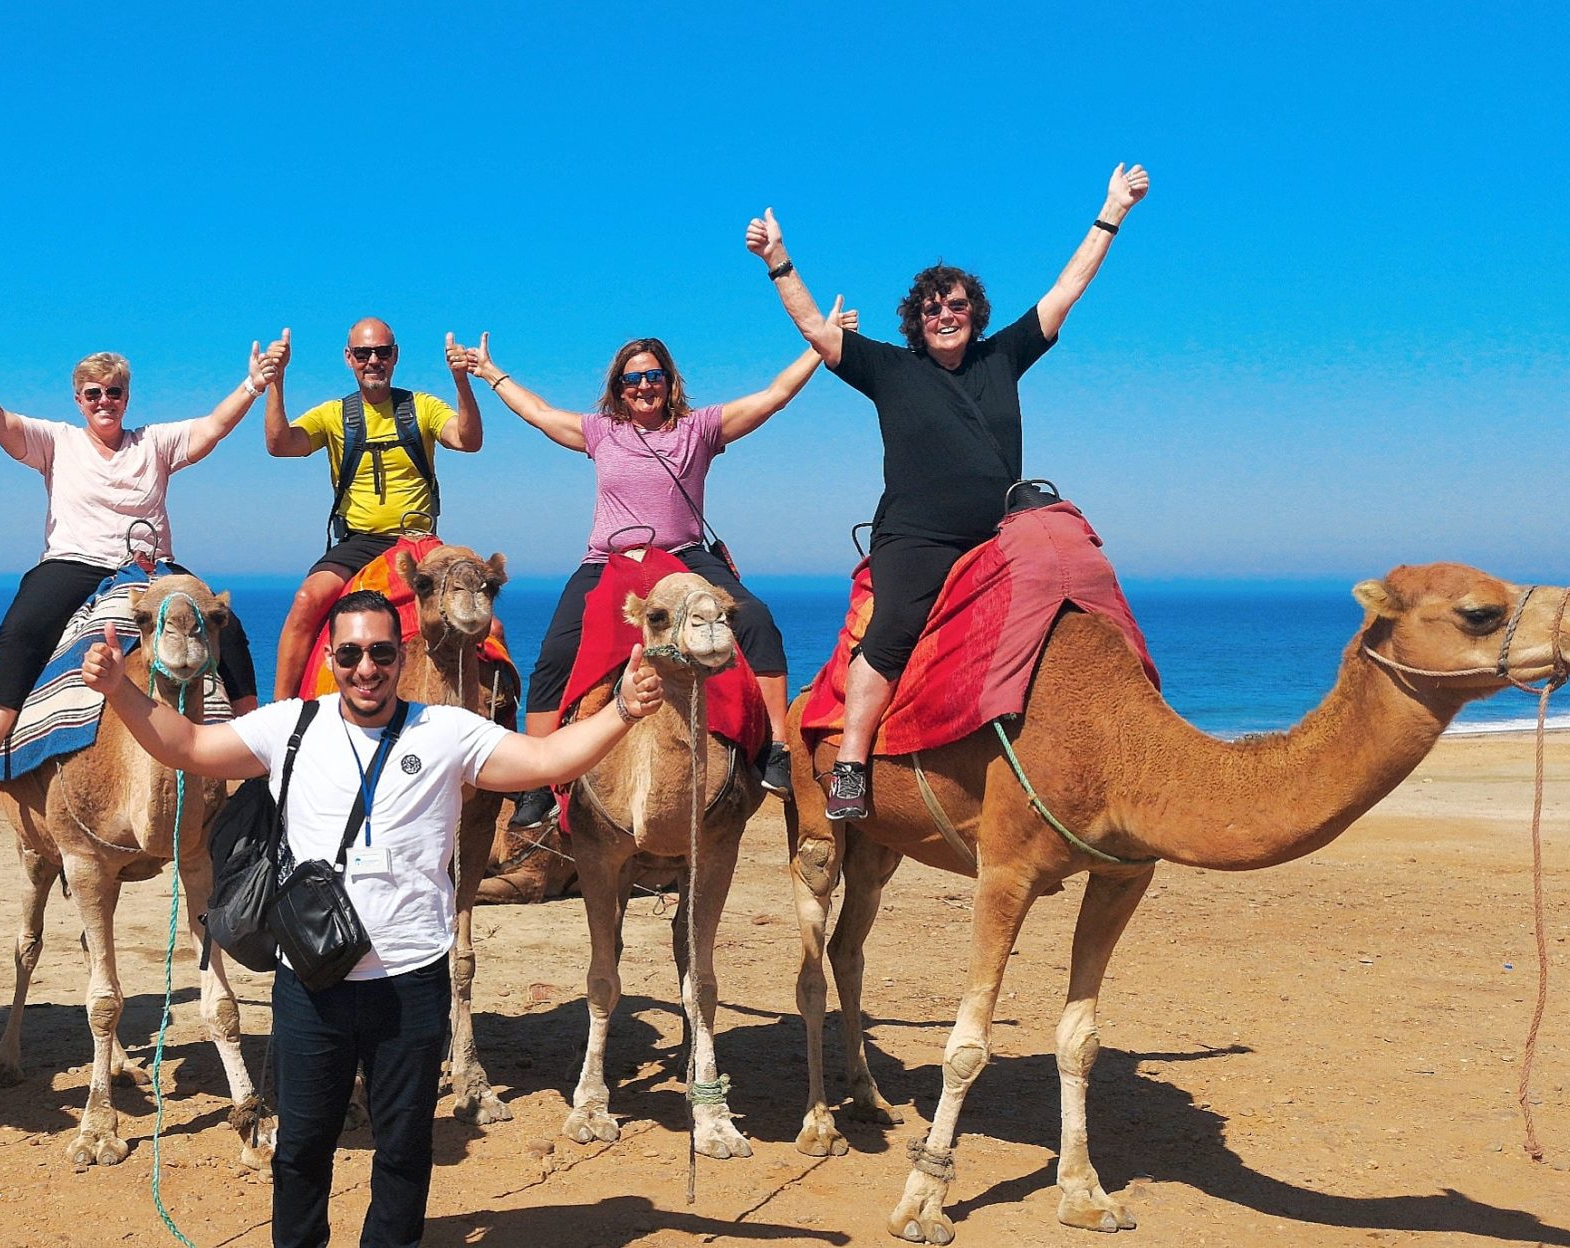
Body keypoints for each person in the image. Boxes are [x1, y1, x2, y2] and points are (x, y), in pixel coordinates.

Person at [77, 588, 666, 1248]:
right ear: (330, 660)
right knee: (302, 1145)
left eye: (381, 653)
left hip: (412, 980)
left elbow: (547, 759)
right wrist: (120, 689)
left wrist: (620, 709)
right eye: (350, 653)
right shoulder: (293, 727)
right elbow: (187, 746)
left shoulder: (448, 731)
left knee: (403, 1143)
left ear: (400, 658)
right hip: (312, 980)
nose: (366, 668)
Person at [745, 163, 1151, 819]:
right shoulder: (889, 368)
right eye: (933, 307)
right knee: (896, 627)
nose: (945, 315)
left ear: (975, 313)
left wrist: (1113, 210)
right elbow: (819, 334)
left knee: (1075, 596)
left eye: (957, 305)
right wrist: (778, 259)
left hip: (1000, 534)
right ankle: (850, 760)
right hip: (917, 538)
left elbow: (1067, 287)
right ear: (917, 319)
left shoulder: (1004, 356)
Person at [453, 330, 846, 826]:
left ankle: (776, 750)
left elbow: (773, 396)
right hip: (608, 560)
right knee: (554, 653)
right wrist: (490, 373)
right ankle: (537, 780)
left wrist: (818, 346)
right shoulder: (601, 433)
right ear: (619, 388)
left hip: (683, 557)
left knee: (757, 620)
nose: (643, 386)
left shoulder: (699, 430)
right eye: (632, 378)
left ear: (669, 381)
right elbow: (540, 413)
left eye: (653, 375)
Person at [0, 335, 282, 784]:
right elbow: (0, 421)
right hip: (73, 562)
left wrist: (253, 385)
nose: (104, 401)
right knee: (22, 629)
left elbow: (211, 427)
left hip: (153, 566)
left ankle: (254, 750)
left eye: (113, 392)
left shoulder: (153, 442)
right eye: (93, 393)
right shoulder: (56, 442)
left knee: (222, 624)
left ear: (126, 397)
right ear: (79, 400)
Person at [261, 319, 485, 697]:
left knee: (482, 613)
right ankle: (280, 716)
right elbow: (280, 444)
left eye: (382, 352)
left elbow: (468, 440)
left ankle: (496, 718)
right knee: (305, 602)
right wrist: (276, 382)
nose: (373, 361)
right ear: (349, 358)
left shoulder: (422, 407)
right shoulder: (333, 415)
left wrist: (461, 381)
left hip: (421, 542)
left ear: (394, 356)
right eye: (363, 353)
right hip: (359, 543)